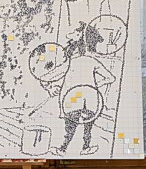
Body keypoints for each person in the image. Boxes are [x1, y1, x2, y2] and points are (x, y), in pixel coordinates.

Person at [49, 22, 116, 156]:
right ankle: (84, 148)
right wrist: (95, 85)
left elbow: (50, 76)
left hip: (72, 101)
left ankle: (63, 149)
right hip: (88, 101)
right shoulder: (91, 61)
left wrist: (51, 87)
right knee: (86, 127)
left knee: (71, 128)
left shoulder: (70, 63)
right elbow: (110, 78)